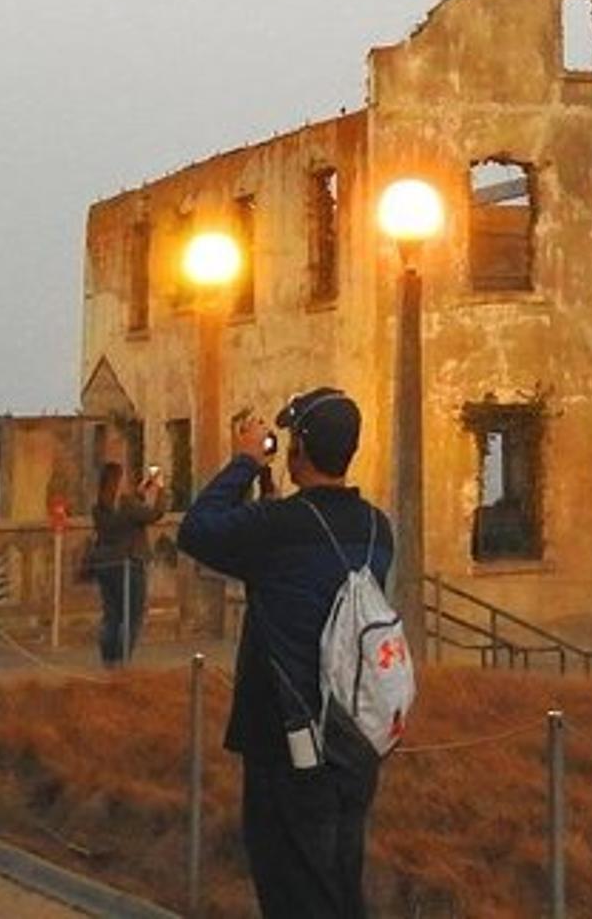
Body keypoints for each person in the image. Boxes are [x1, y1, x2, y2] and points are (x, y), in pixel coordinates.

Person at [179, 386, 393, 919]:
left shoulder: (279, 529)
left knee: (292, 889)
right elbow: (306, 571)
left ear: (299, 447)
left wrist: (245, 461)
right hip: (353, 734)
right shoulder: (377, 528)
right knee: (340, 881)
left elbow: (197, 530)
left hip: (287, 736)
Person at [91, 460, 167, 667]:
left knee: (112, 614)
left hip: (106, 564)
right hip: (129, 564)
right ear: (119, 482)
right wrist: (161, 488)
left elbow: (125, 518)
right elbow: (154, 514)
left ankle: (109, 659)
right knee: (132, 615)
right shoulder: (127, 505)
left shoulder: (99, 507)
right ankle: (121, 661)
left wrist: (141, 492)